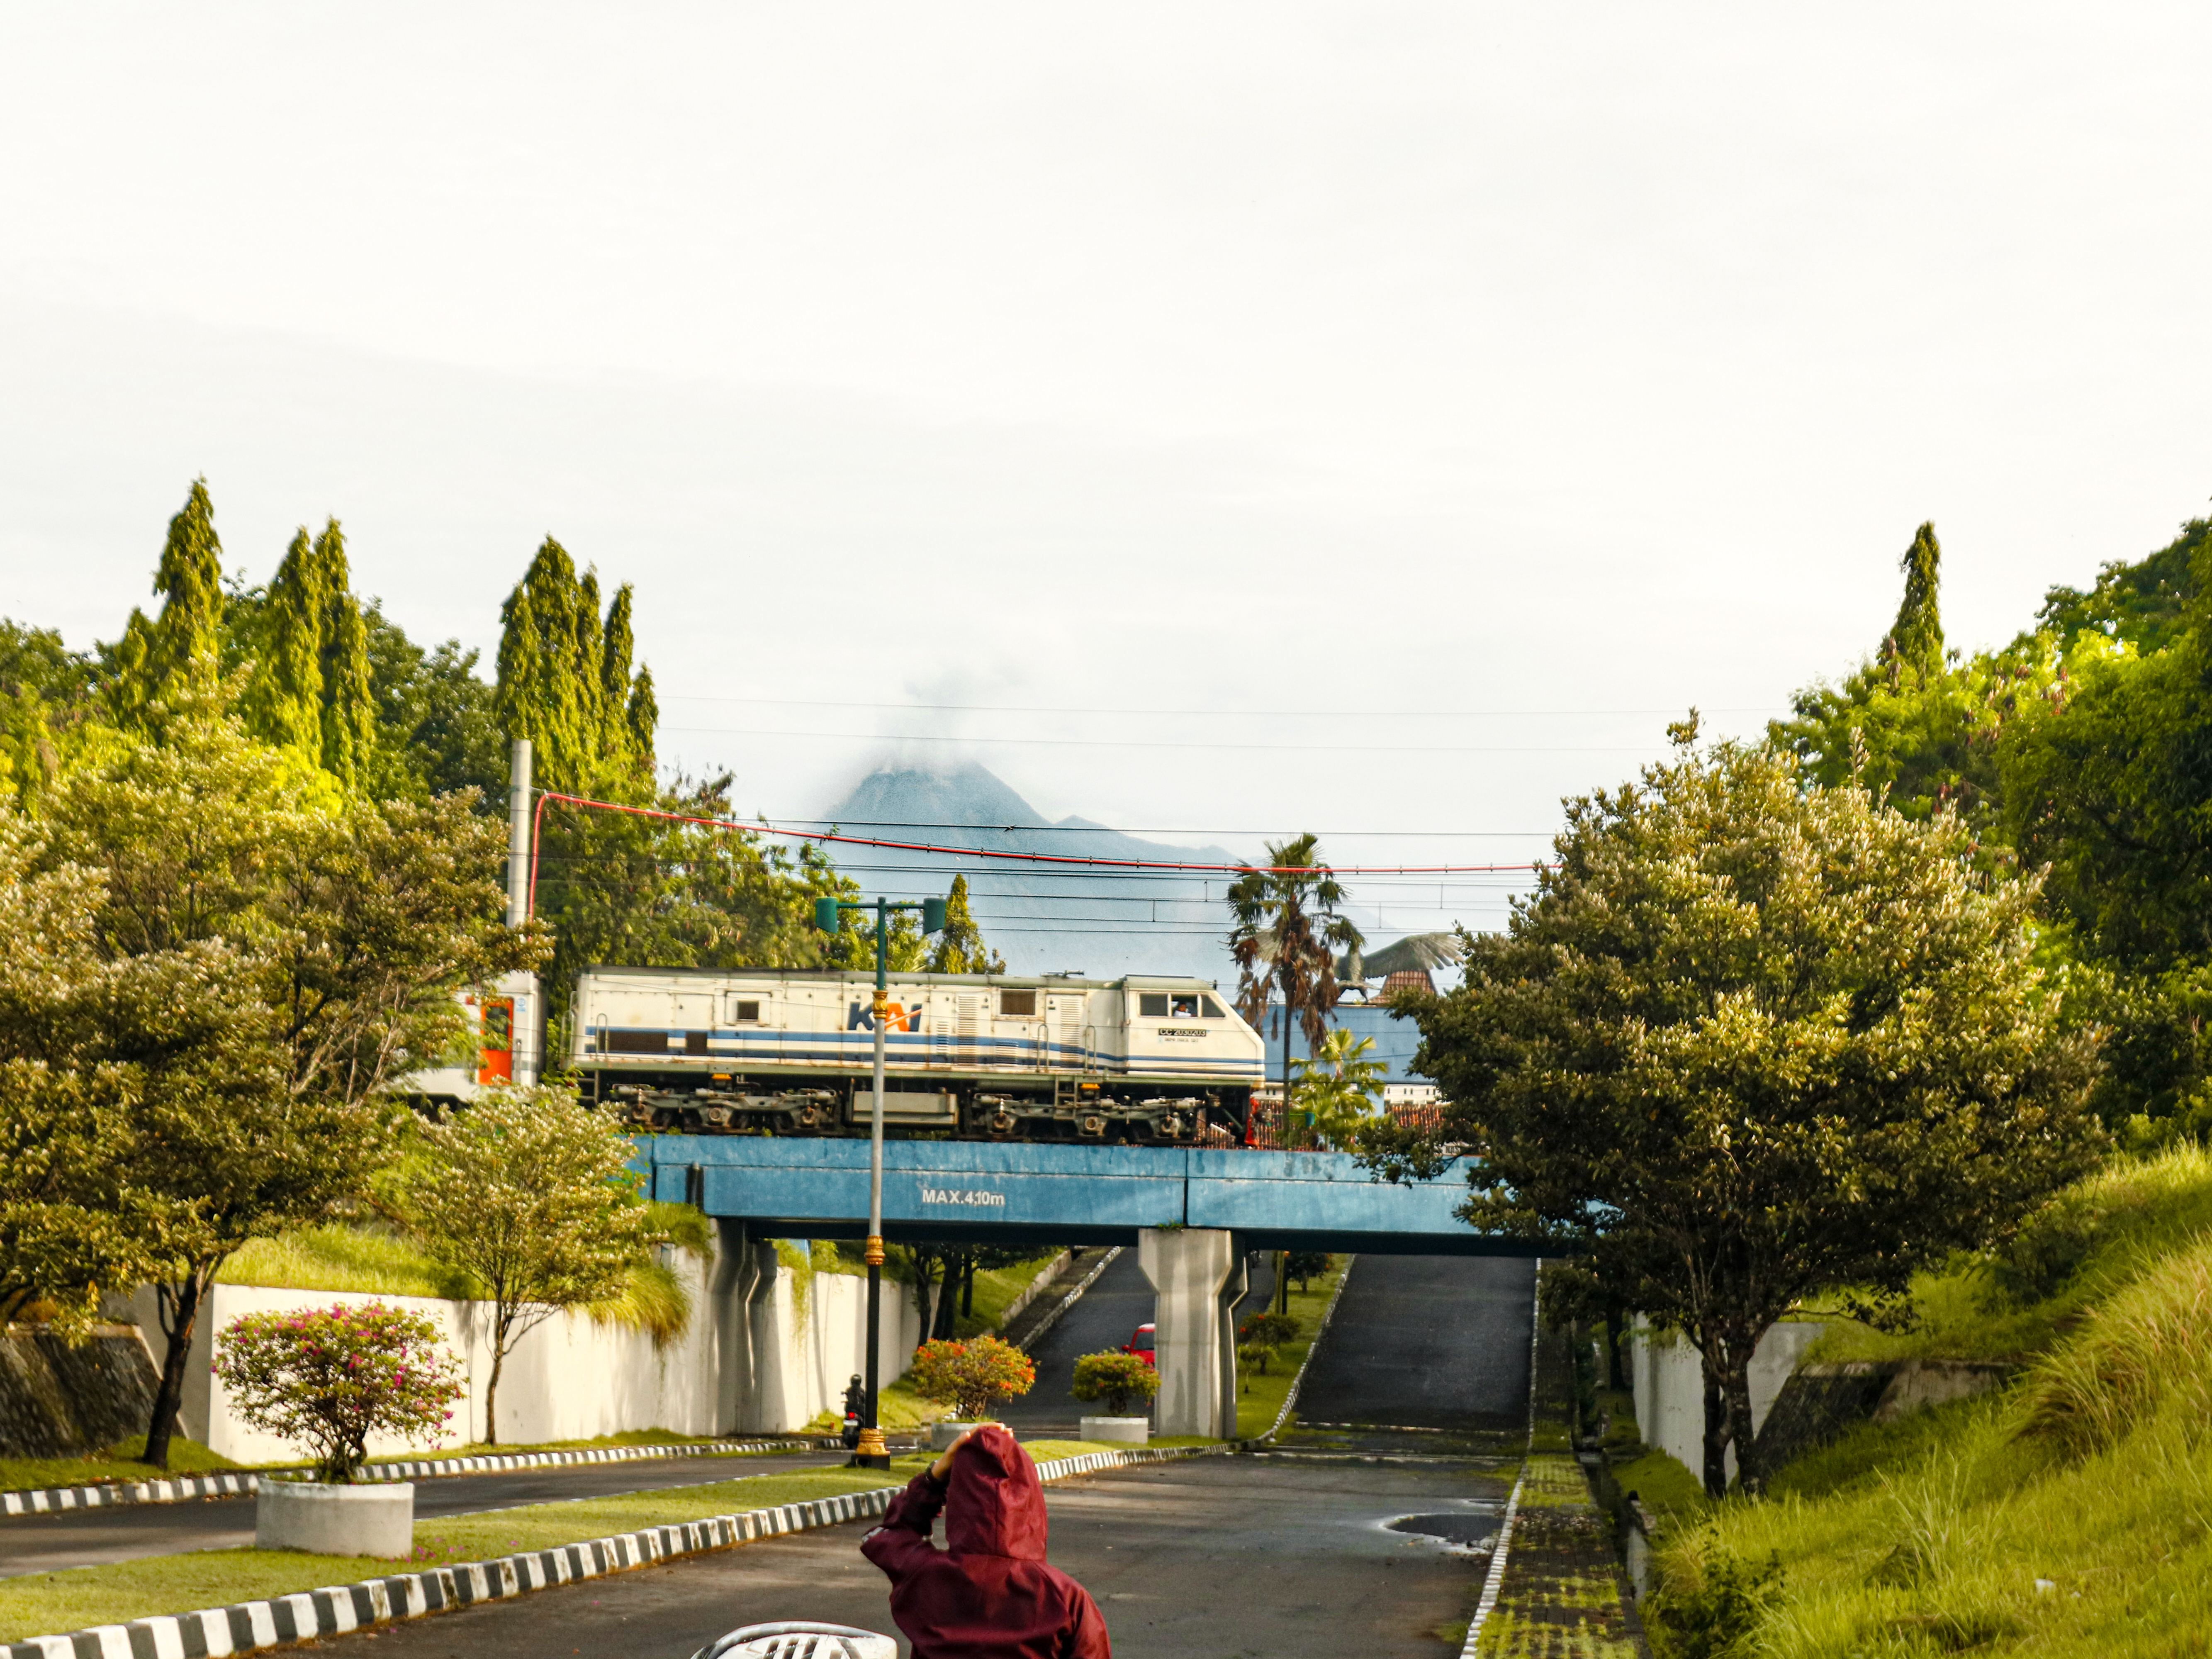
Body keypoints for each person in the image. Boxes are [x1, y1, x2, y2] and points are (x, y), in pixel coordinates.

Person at [861, 1422, 1110, 1659]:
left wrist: (934, 1477)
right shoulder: (1066, 1596)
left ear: (959, 1498)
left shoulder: (924, 1574)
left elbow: (891, 1533)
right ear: (1031, 1499)